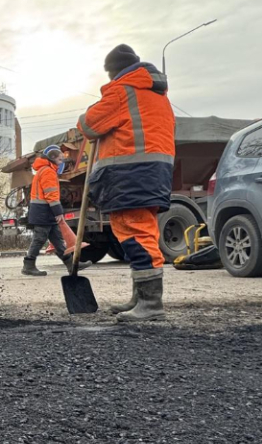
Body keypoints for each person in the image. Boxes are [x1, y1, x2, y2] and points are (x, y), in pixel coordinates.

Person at [77, 44, 175, 322]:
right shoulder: (157, 96)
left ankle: (151, 303)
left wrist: (91, 111)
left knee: (135, 232)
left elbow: (88, 125)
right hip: (153, 173)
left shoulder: (122, 92)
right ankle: (141, 296)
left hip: (131, 173)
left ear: (112, 72)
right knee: (140, 230)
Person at [22, 146, 89, 276]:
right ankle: (28, 265)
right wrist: (58, 212)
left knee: (58, 240)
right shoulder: (48, 172)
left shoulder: (44, 170)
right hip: (44, 211)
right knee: (39, 239)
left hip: (42, 210)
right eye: (60, 159)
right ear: (52, 159)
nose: (62, 162)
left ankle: (71, 265)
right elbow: (51, 194)